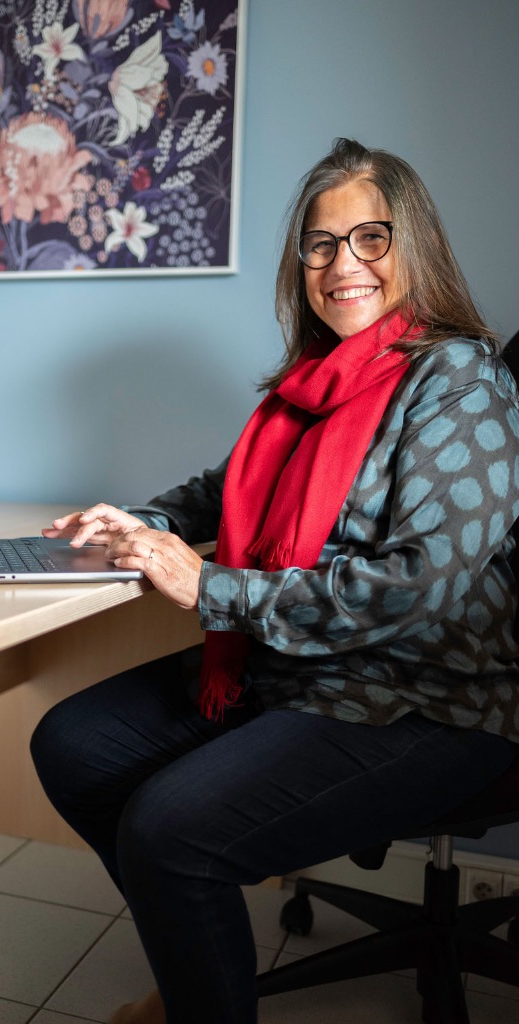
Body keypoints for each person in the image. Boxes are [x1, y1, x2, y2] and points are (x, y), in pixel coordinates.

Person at [30, 138, 519, 1024]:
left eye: (370, 238)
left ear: (415, 246)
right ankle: (200, 972)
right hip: (293, 671)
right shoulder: (308, 386)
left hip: (424, 697)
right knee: (73, 743)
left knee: (168, 831)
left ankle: (200, 990)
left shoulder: (459, 382)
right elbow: (216, 493)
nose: (342, 265)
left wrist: (210, 589)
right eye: (320, 245)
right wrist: (139, 526)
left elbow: (414, 587)